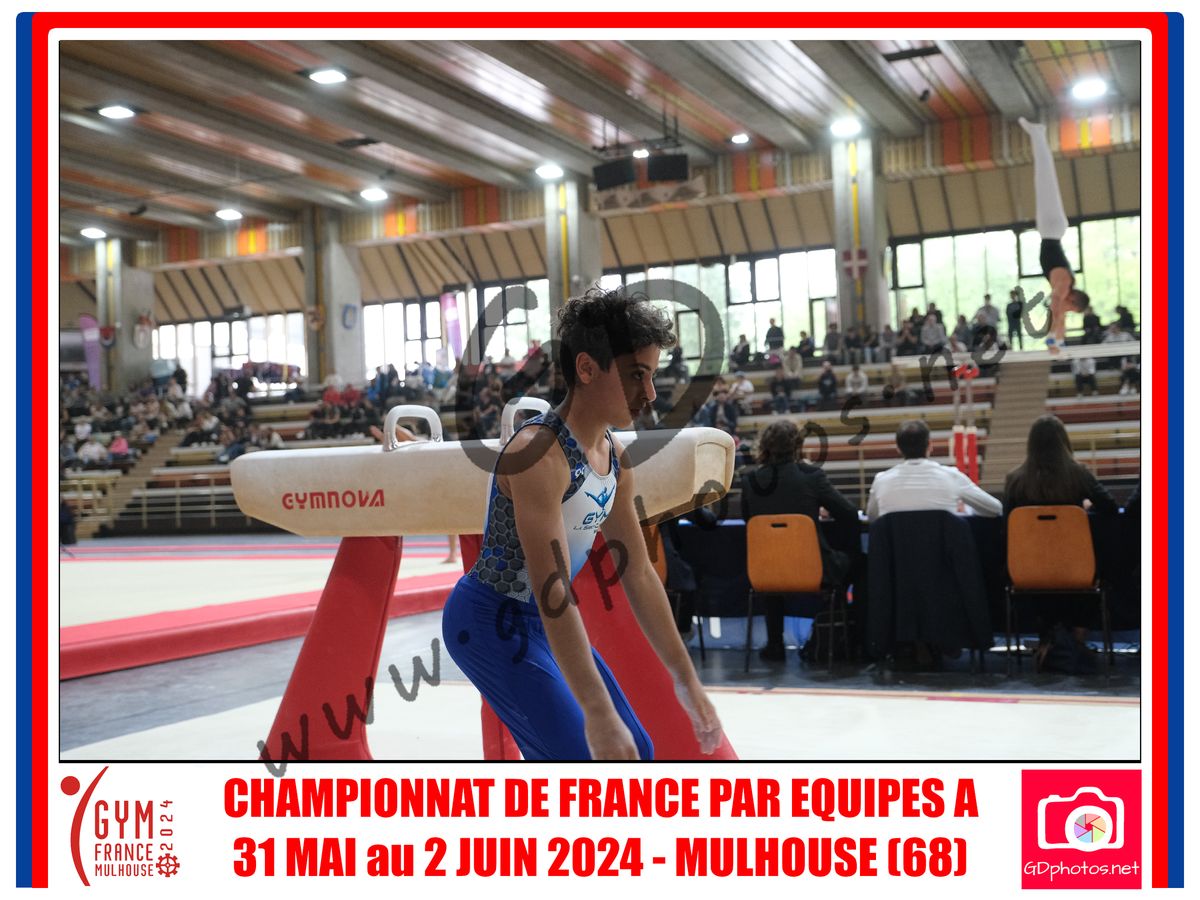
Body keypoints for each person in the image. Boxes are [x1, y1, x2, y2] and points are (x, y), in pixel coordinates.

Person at [441, 287, 723, 760]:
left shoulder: (615, 458)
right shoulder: (539, 454)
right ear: (587, 369)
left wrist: (686, 679)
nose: (650, 394)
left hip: (540, 622)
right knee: (587, 756)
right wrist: (597, 711)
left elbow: (638, 573)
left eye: (652, 376)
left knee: (637, 750)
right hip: (490, 621)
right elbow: (552, 589)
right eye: (636, 375)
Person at [1003, 415, 1118, 670]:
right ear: (1064, 442)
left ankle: (1049, 640)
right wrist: (1083, 509)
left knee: (1042, 581)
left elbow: (1007, 524)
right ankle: (1075, 640)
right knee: (1097, 571)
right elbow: (1110, 508)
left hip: (1029, 570)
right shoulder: (1078, 474)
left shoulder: (1015, 479)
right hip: (1076, 568)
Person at [740, 420, 859, 661]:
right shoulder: (811, 476)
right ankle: (842, 639)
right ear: (797, 445)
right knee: (860, 563)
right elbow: (849, 513)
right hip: (813, 570)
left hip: (765, 572)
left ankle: (775, 644)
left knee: (776, 562)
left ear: (764, 447)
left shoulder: (750, 481)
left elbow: (748, 518)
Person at [1018, 117, 1091, 353]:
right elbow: (1057, 310)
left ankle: (1037, 134)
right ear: (1073, 300)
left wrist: (1059, 341)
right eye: (1072, 309)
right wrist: (1052, 339)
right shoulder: (1064, 285)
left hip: (1051, 228)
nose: (1068, 311)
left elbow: (1060, 316)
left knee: (1042, 179)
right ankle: (1038, 132)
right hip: (1052, 228)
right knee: (1044, 178)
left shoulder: (1064, 290)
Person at [866, 420, 1002, 520]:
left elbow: (872, 517)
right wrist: (967, 511)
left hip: (896, 552)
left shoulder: (881, 481)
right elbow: (995, 509)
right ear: (930, 445)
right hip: (943, 551)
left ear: (898, 448)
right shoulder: (952, 476)